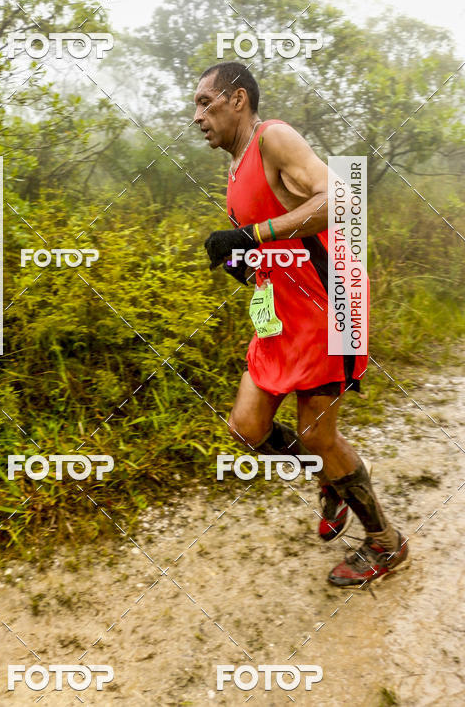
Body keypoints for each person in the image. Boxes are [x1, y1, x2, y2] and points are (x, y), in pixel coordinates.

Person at [193, 61, 409, 586]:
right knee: (248, 427)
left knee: (317, 433)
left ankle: (385, 542)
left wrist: (253, 236)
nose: (197, 115)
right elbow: (277, 244)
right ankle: (331, 481)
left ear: (237, 99)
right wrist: (243, 264)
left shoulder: (275, 138)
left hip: (329, 305)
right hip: (282, 312)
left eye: (205, 102)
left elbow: (343, 202)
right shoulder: (235, 166)